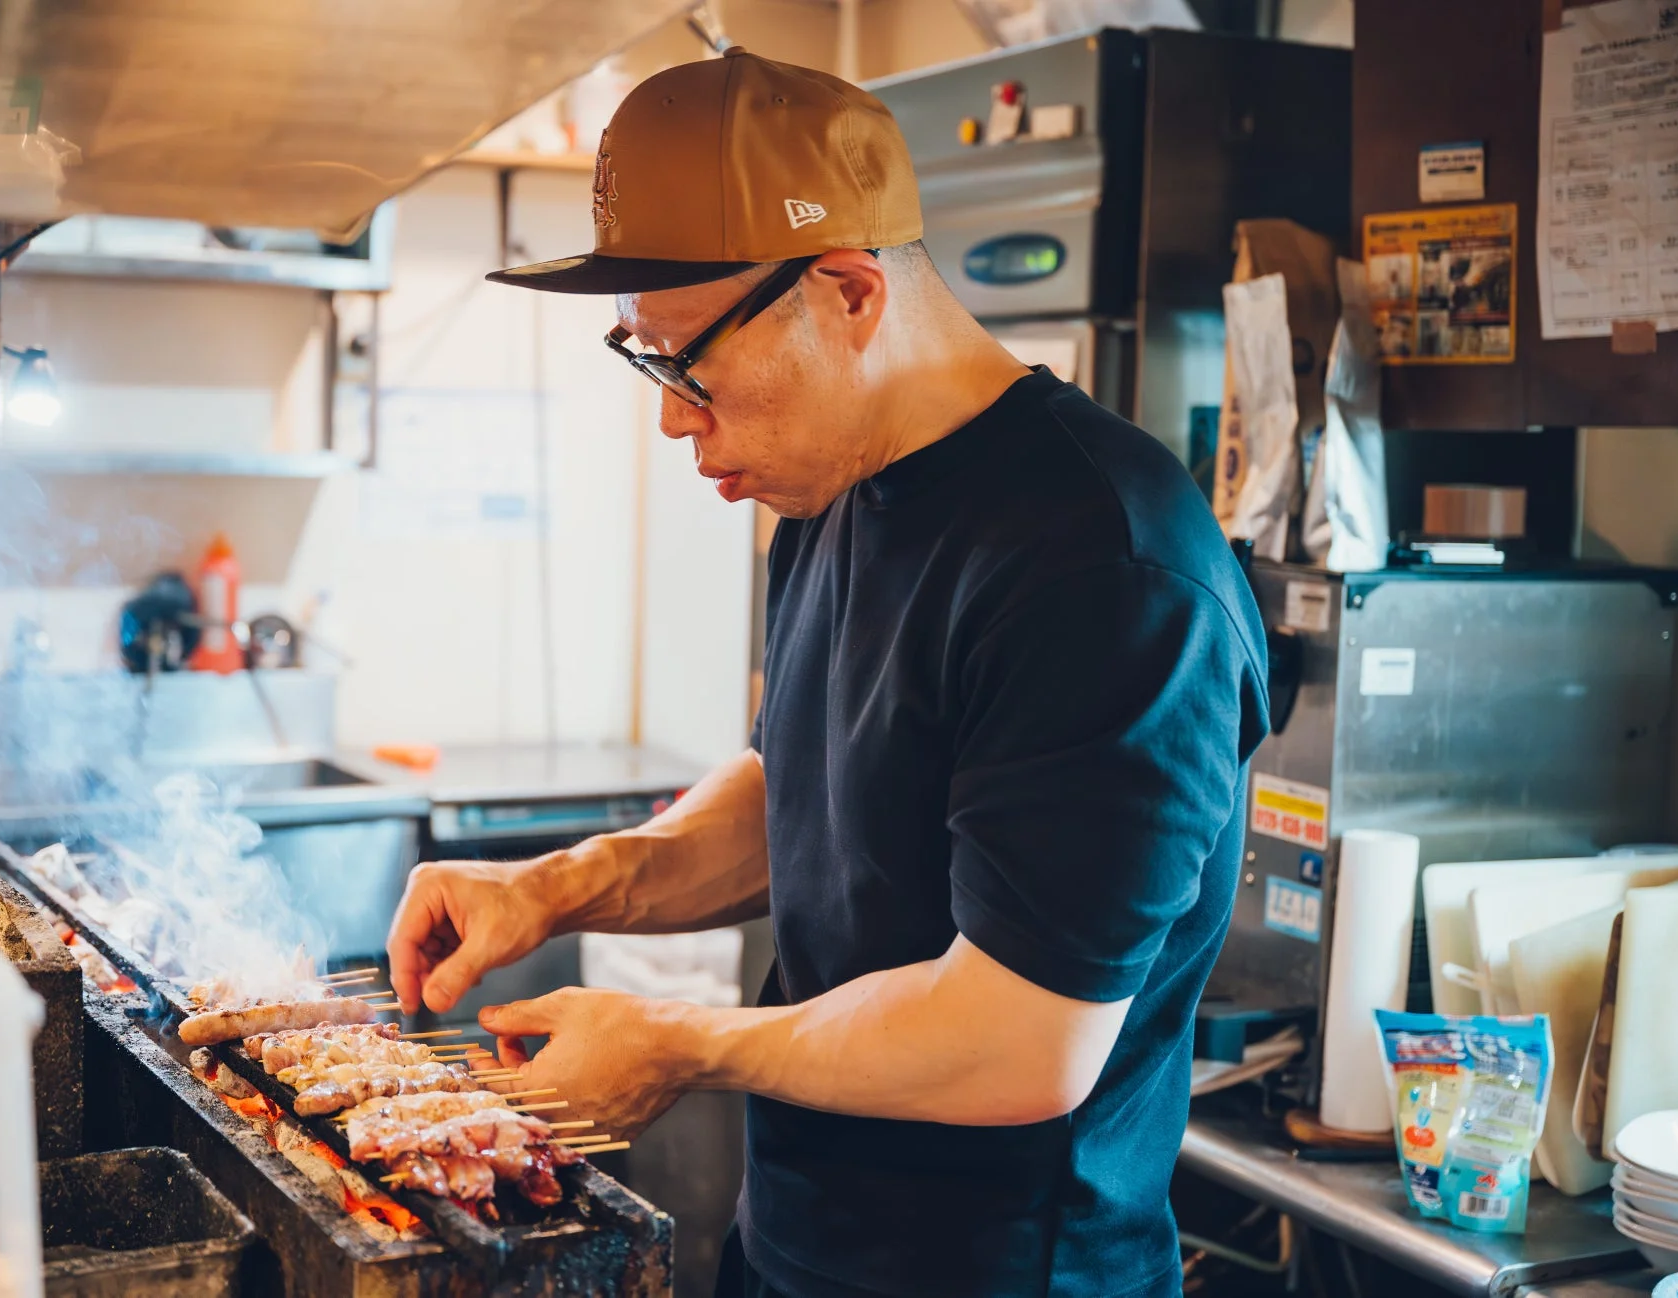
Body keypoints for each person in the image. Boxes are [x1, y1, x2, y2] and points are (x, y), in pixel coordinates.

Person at [388, 47, 1268, 1298]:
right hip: (793, 1248)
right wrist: (558, 886)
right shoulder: (833, 486)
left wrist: (677, 1042)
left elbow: (1019, 1038)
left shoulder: (1104, 570)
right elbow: (800, 788)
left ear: (849, 291)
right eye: (644, 355)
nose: (673, 415)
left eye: (687, 360)